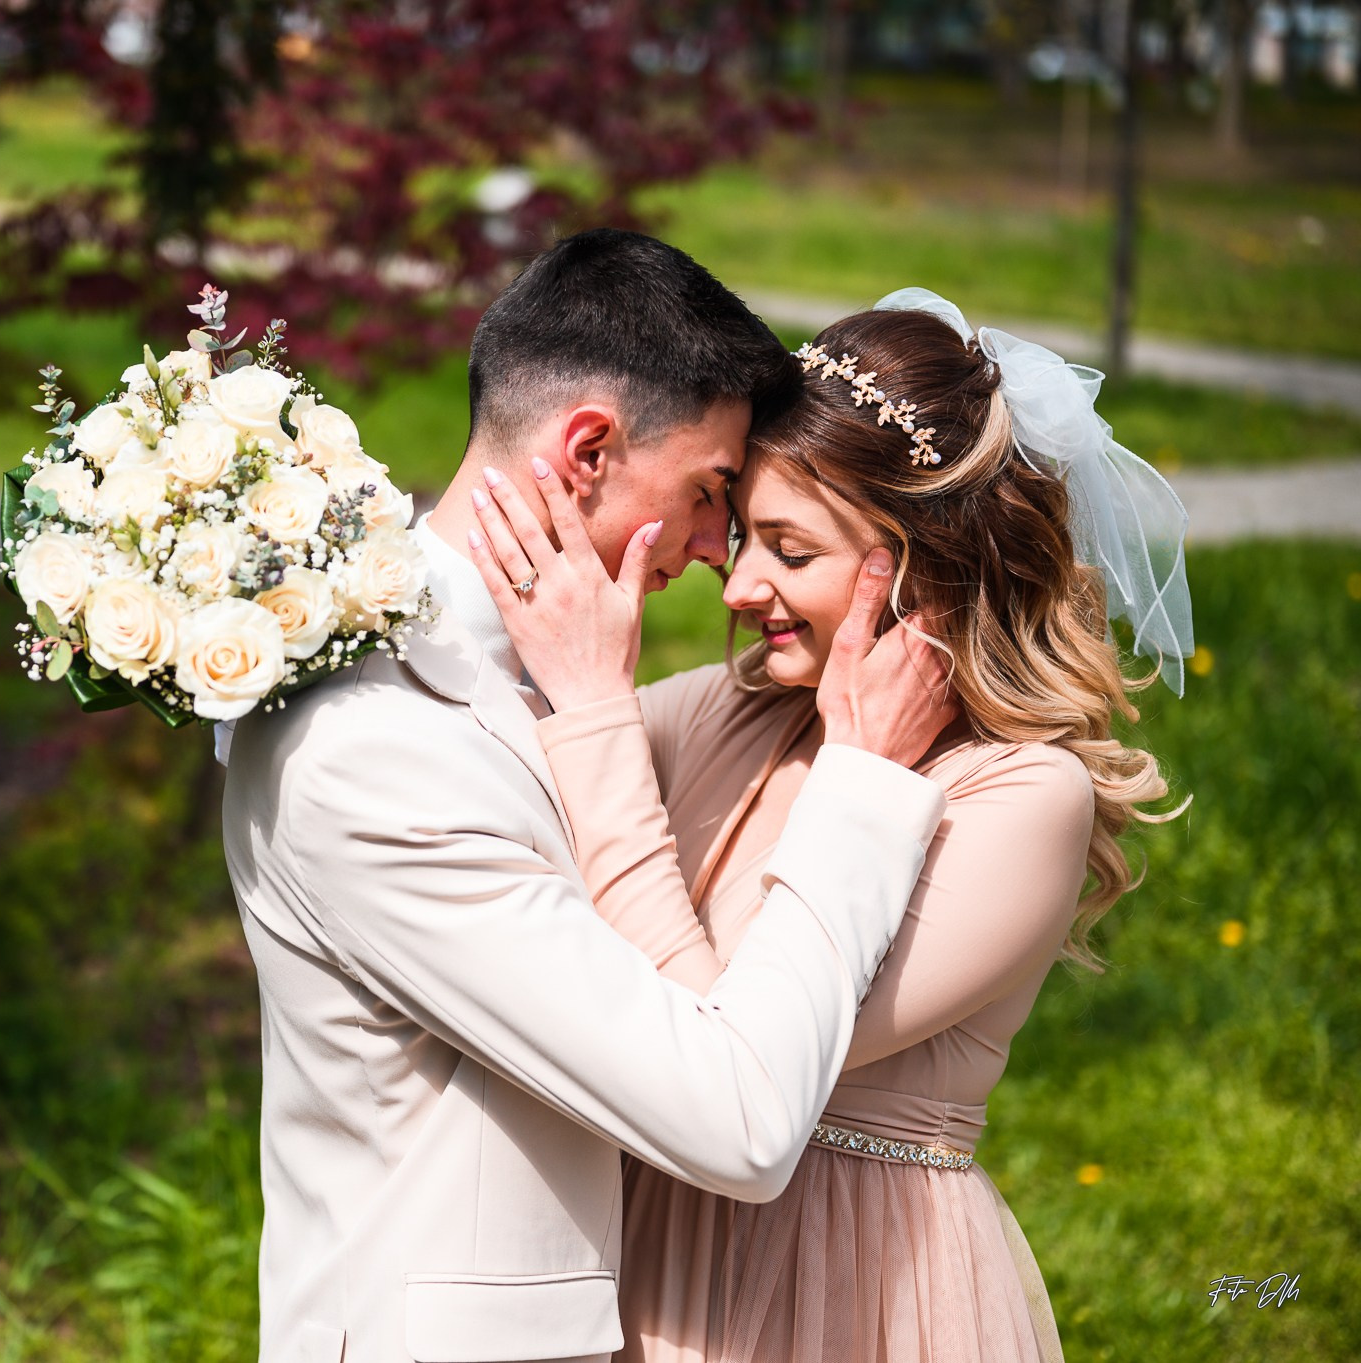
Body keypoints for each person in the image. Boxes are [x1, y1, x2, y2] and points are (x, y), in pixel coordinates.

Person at [218, 231, 958, 1363]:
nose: (718, 549)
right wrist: (858, 782)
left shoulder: (526, 669)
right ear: (589, 449)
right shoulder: (372, 751)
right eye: (711, 492)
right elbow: (740, 1121)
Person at [467, 288, 1192, 1363]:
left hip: (845, 1286)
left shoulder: (1019, 798)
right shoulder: (739, 707)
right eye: (741, 532)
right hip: (639, 1257)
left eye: (787, 549)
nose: (736, 585)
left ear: (921, 566)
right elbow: (502, 767)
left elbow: (715, 1049)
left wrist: (596, 712)